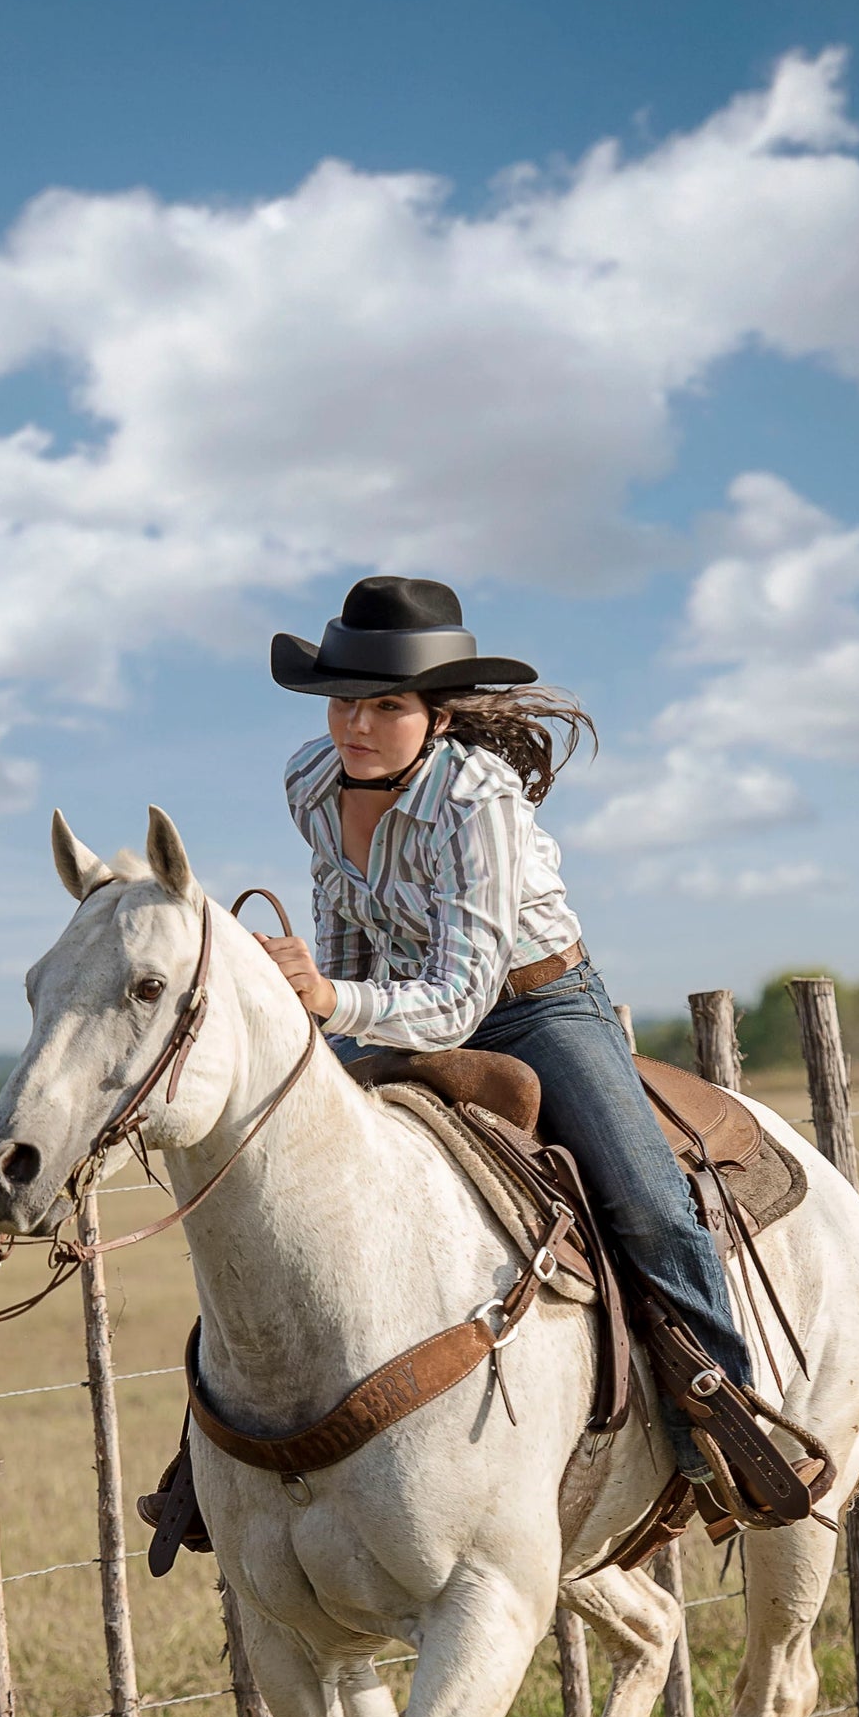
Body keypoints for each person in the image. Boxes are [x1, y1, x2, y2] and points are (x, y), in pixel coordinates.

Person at [260, 573, 756, 1498]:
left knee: (647, 1198)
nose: (356, 724)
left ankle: (724, 1410)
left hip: (535, 1003)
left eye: (388, 706)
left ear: (439, 716)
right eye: (344, 702)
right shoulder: (309, 780)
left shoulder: (476, 798)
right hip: (386, 999)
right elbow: (344, 921)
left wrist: (330, 998)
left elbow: (460, 998)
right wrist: (318, 1009)